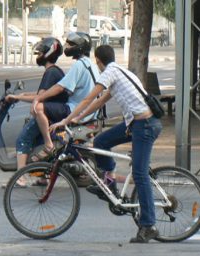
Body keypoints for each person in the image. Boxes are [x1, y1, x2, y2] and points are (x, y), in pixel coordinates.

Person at [50, 45, 162, 243]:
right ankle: (109, 181)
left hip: (145, 126)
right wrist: (79, 118)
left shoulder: (110, 72)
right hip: (136, 124)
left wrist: (66, 121)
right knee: (101, 141)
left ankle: (149, 225)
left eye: (96, 63)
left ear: (98, 61)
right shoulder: (119, 72)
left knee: (139, 174)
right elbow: (99, 102)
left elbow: (88, 98)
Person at [5, 37, 67, 185]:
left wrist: (17, 97)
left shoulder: (51, 72)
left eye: (39, 53)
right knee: (36, 142)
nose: (37, 56)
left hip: (48, 113)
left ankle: (20, 178)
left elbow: (40, 97)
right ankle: (43, 177)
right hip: (52, 111)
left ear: (48, 53)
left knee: (23, 139)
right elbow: (41, 93)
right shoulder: (54, 71)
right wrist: (21, 95)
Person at [30, 32, 100, 161]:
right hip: (91, 111)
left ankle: (48, 144)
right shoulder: (89, 64)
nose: (68, 47)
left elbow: (59, 87)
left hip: (75, 109)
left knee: (39, 108)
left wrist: (38, 98)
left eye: (71, 44)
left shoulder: (79, 65)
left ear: (79, 47)